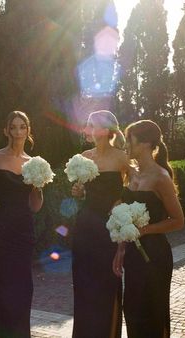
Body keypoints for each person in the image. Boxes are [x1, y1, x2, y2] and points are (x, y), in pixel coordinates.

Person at [113, 120, 184, 338]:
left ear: (144, 143)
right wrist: (121, 249)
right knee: (132, 311)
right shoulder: (131, 174)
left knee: (150, 314)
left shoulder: (161, 177)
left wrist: (144, 230)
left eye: (130, 140)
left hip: (154, 255)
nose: (126, 145)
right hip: (134, 255)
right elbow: (125, 217)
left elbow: (178, 220)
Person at [0, 111, 43, 338]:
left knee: (21, 288)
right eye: (13, 127)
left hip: (22, 232)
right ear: (6, 130)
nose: (17, 132)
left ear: (28, 130)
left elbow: (35, 206)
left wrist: (38, 187)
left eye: (22, 127)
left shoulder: (34, 164)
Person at [71, 110, 128, 338]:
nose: (87, 129)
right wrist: (78, 191)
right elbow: (82, 192)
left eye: (91, 125)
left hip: (110, 231)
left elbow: (134, 189)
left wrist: (122, 201)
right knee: (84, 287)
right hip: (85, 227)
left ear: (105, 130)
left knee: (107, 284)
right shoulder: (85, 156)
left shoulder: (122, 157)